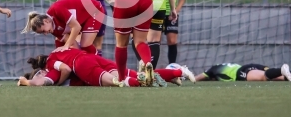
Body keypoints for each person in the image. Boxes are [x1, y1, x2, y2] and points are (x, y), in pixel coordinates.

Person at [19, 52, 196, 87]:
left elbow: (48, 79)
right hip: (93, 57)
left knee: (119, 83)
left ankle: (146, 81)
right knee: (128, 75)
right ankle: (178, 71)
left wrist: (26, 82)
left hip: (82, 65)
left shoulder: (52, 64)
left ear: (41, 69)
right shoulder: (62, 50)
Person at [21, 0, 105, 54]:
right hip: (82, 19)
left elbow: (76, 27)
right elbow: (75, 46)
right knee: (61, 43)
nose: (46, 34)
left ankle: (101, 66)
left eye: (43, 31)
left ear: (46, 21)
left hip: (94, 9)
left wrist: (67, 45)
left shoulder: (56, 9)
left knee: (85, 44)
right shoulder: (53, 29)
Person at [194, 62, 291, 82]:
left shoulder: (212, 70)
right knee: (282, 78)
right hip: (250, 66)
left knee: (263, 77)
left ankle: (281, 69)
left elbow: (197, 78)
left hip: (241, 72)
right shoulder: (221, 66)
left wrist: (186, 77)